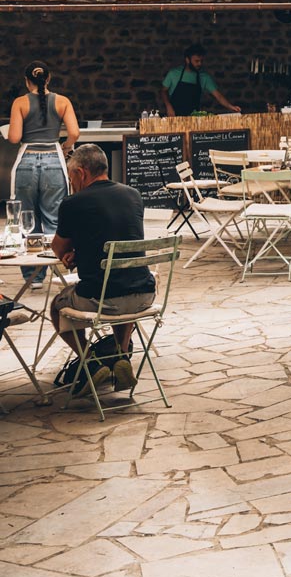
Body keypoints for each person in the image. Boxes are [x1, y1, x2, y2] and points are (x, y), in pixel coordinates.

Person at [51, 142, 155, 393]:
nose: (71, 182)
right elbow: (115, 235)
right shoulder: (133, 195)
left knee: (57, 306)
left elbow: (58, 248)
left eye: (71, 176)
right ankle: (121, 356)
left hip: (100, 298)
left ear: (81, 172)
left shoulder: (73, 203)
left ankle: (90, 360)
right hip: (144, 295)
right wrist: (83, 251)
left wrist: (71, 253)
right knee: (120, 281)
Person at [8, 62, 79, 277]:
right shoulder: (62, 101)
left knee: (27, 219)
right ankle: (59, 271)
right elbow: (74, 133)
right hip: (53, 161)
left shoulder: (20, 103)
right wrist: (65, 147)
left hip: (27, 161)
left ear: (26, 80)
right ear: (48, 79)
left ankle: (33, 275)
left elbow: (14, 138)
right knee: (54, 219)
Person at [161, 45, 241, 117]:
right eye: (196, 61)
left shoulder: (204, 77)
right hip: (174, 116)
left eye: (201, 61)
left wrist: (231, 107)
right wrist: (168, 106)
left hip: (194, 119)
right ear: (187, 60)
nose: (199, 64)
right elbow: (163, 91)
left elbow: (218, 96)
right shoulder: (174, 73)